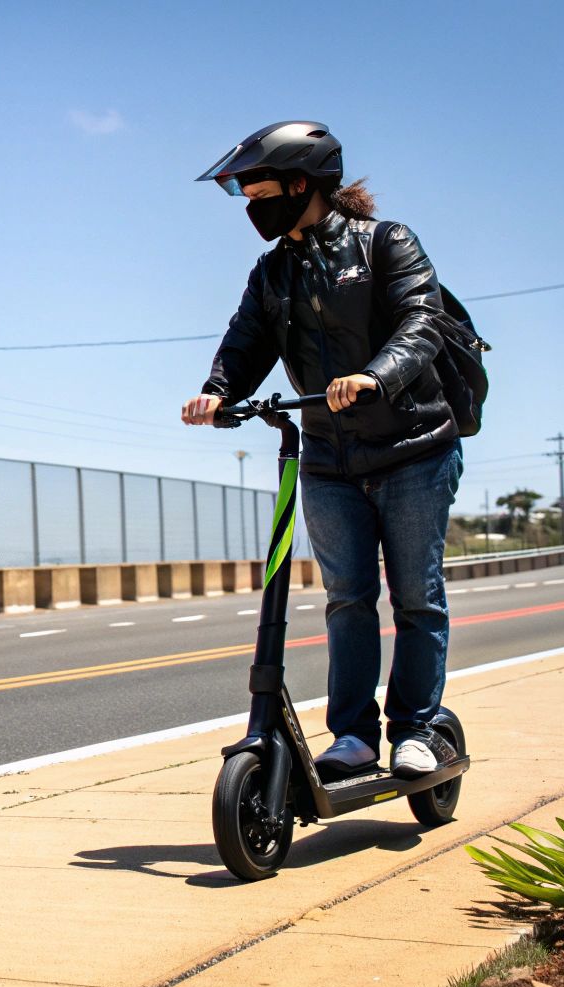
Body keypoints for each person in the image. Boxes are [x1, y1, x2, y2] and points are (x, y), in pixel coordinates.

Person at [180, 121, 463, 779]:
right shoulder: (273, 269)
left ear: (301, 183)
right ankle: (356, 737)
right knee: (348, 599)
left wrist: (376, 375)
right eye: (243, 195)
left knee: (416, 596)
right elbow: (245, 343)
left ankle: (418, 730)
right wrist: (217, 393)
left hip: (414, 448)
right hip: (331, 462)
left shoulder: (386, 242)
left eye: (259, 191)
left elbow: (422, 320)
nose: (252, 205)